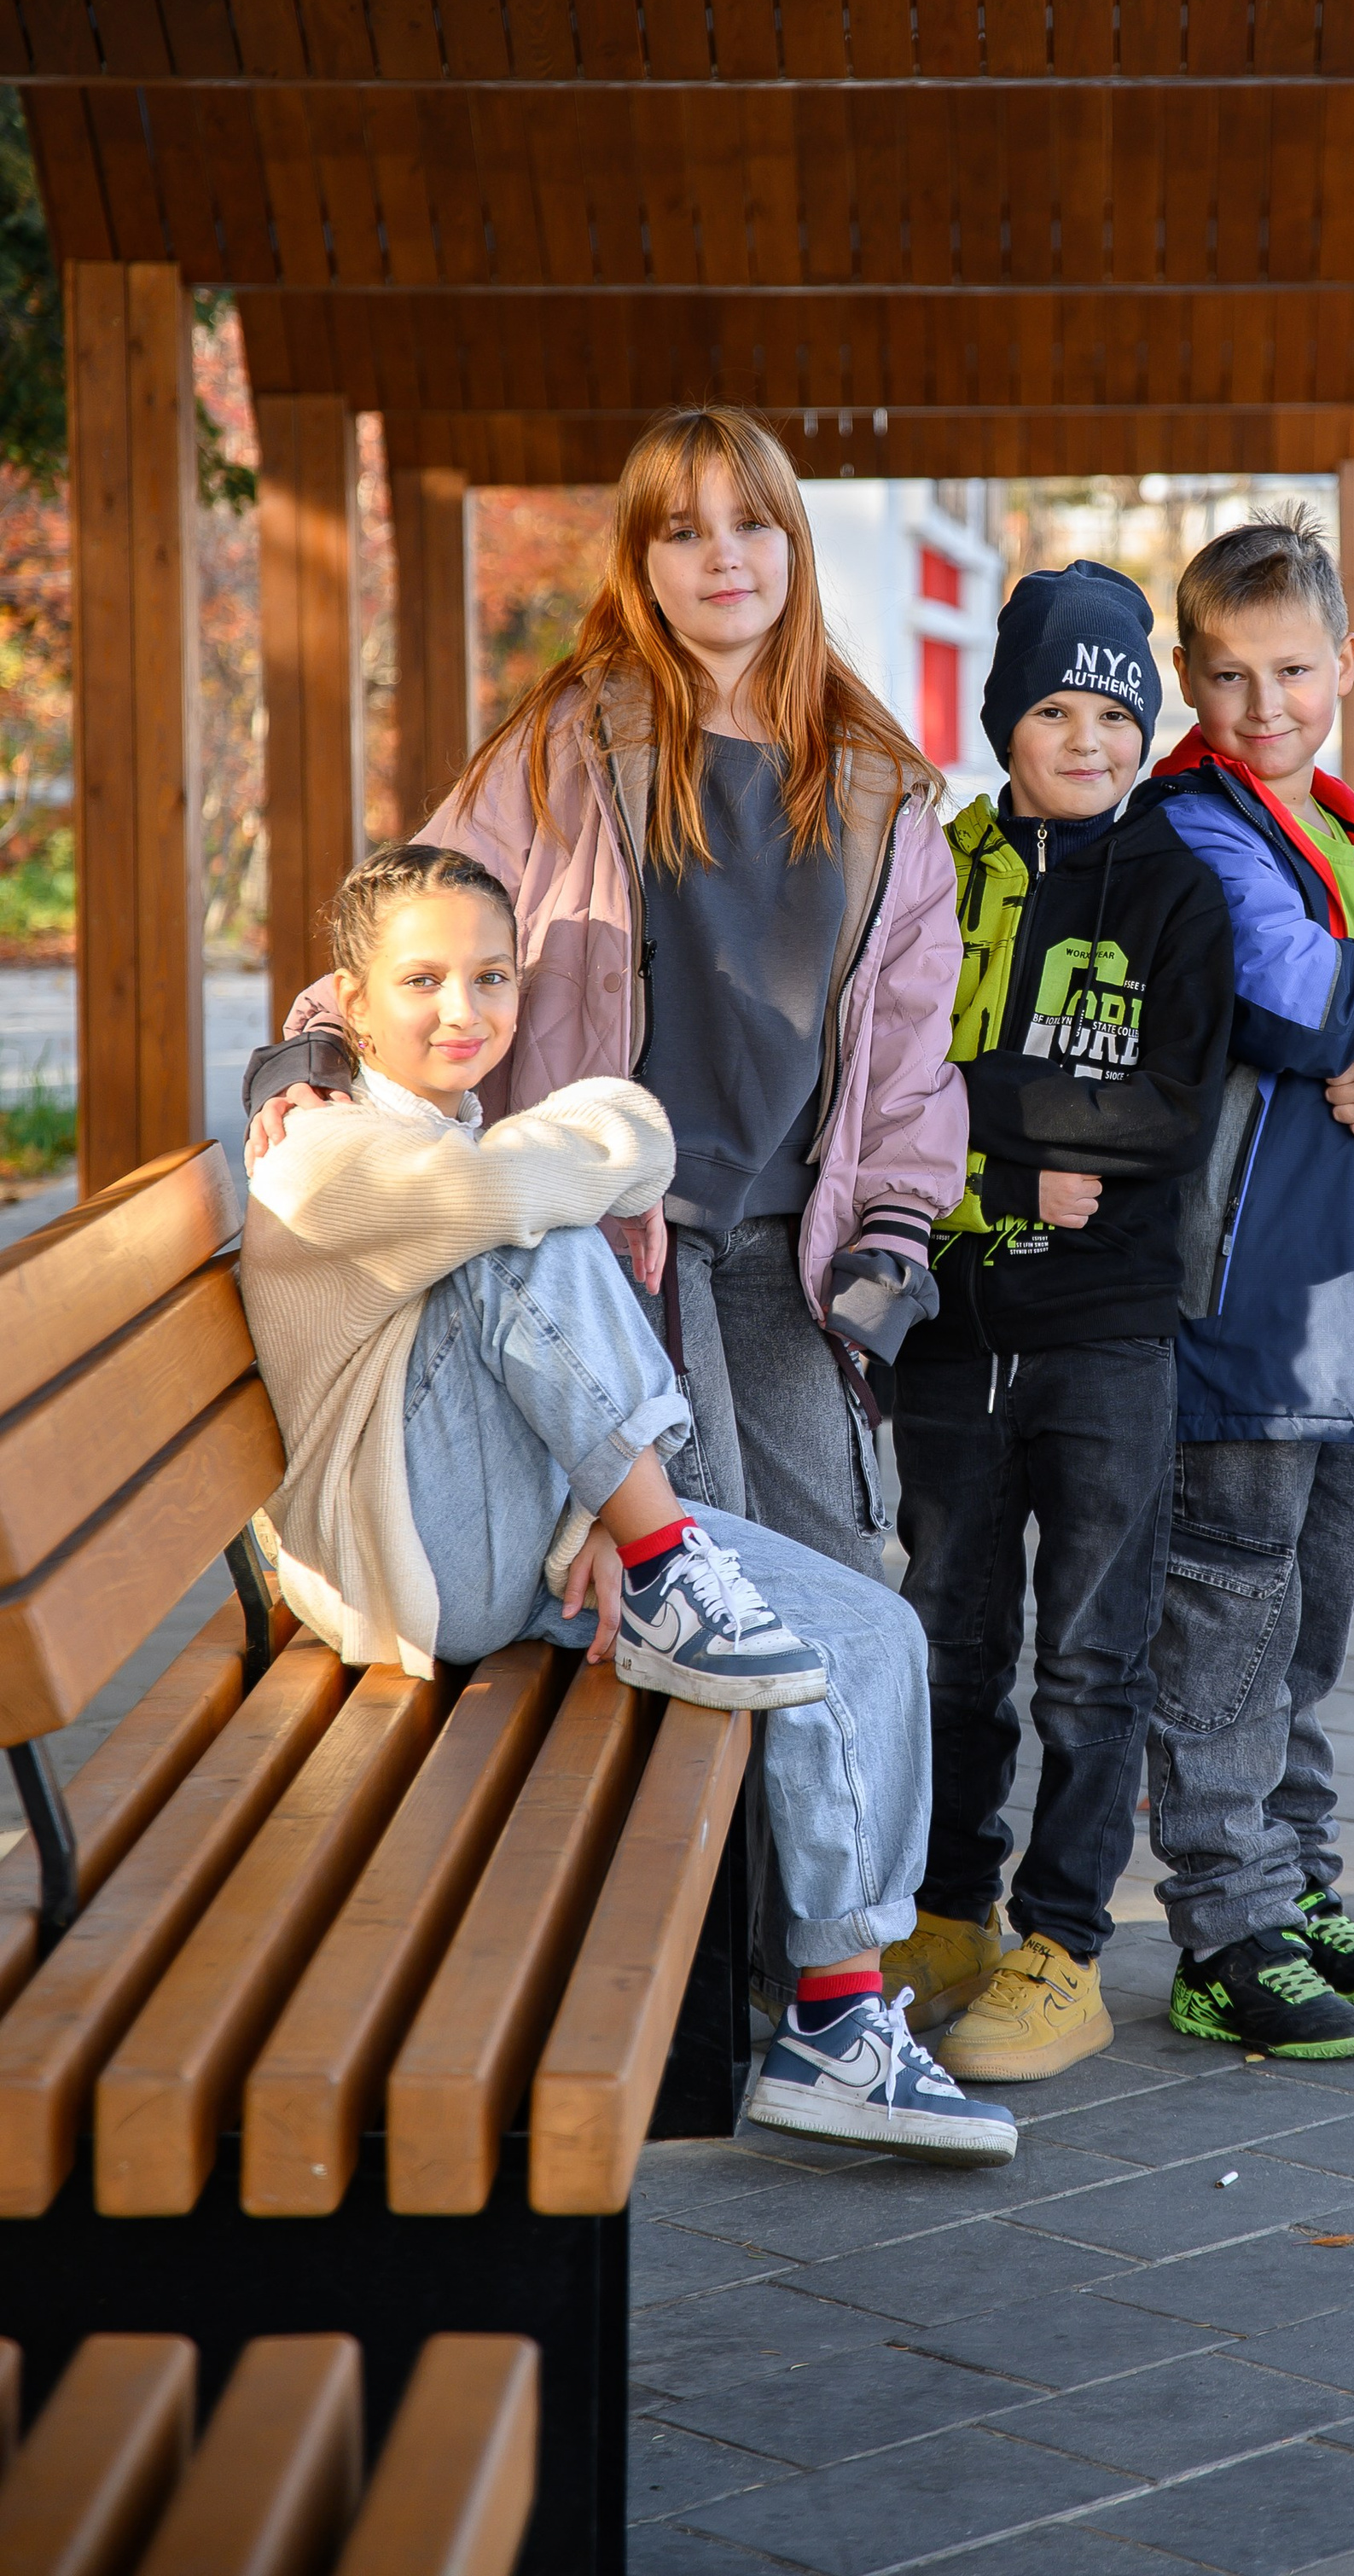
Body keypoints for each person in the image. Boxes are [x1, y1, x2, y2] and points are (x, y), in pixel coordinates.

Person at [239, 840, 1014, 2161]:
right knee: (516, 1231)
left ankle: (837, 2017)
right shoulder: (322, 1150)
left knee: (874, 1636)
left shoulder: (461, 1133)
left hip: (526, 1529)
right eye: (421, 980)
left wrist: (584, 1505)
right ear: (349, 1004)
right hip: (409, 1568)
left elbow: (640, 1135)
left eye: (492, 977)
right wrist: (606, 1145)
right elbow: (576, 1166)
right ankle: (665, 1558)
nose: (464, 1012)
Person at [245, 405, 967, 1589]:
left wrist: (894, 1224)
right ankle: (717, 1784)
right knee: (706, 1555)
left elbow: (906, 1054)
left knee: (841, 1562)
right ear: (640, 566)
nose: (723, 556)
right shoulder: (565, 750)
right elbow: (426, 921)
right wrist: (320, 1047)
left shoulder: (881, 795)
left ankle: (824, 1782)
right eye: (682, 533)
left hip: (794, 1234)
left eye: (751, 525)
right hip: (621, 1233)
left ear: (795, 542)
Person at [1136, 509, 1354, 2060]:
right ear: (1183, 676)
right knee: (1228, 1604)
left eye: (1291, 669)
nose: (1262, 704)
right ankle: (1223, 1924)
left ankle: (1295, 1880)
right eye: (1226, 675)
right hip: (1241, 1300)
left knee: (1314, 1607)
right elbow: (1299, 1000)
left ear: (1346, 661)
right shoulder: (1194, 824)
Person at [883, 564, 1234, 2083]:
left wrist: (979, 1120)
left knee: (1092, 1656)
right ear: (1001, 719)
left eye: (1114, 710)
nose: (1085, 737)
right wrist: (1017, 1157)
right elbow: (890, 1078)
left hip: (1107, 1334)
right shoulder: (942, 871)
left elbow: (1164, 1106)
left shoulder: (1171, 886)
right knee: (953, 1633)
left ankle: (1066, 1940)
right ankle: (951, 1914)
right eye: (1052, 708)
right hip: (953, 1323)